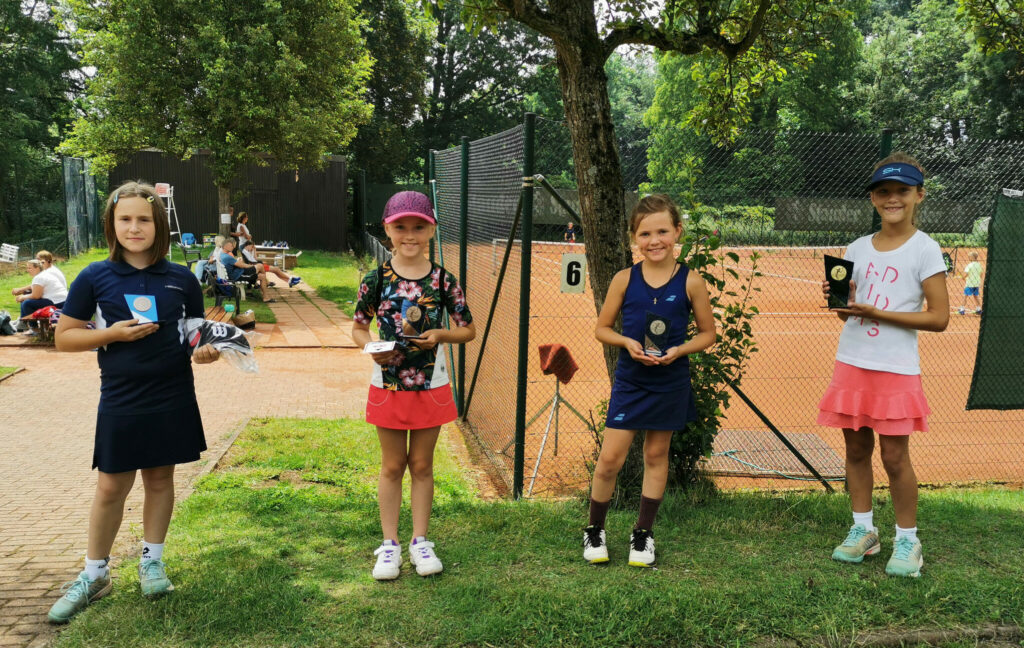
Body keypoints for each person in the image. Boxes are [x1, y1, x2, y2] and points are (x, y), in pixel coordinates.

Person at [47, 181, 221, 623]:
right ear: (112, 224)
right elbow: (64, 338)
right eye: (125, 218)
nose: (134, 227)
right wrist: (110, 335)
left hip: (173, 394)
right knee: (110, 486)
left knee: (160, 480)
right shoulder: (94, 276)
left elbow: (192, 335)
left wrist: (206, 348)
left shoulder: (181, 278)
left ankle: (152, 561)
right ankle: (95, 574)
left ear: (158, 224)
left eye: (144, 219)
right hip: (121, 397)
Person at [819, 153, 949, 578]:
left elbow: (939, 318)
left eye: (902, 191)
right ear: (873, 198)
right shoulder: (857, 247)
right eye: (883, 191)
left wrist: (878, 313)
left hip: (896, 368)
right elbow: (847, 314)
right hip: (852, 362)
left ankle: (908, 539)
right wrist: (842, 300)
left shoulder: (926, 249)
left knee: (895, 457)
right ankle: (863, 532)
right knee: (856, 450)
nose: (892, 198)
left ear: (919, 196)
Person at [582, 194, 716, 567]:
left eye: (662, 231)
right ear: (633, 239)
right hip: (631, 381)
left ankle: (643, 535)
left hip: (670, 379)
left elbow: (709, 334)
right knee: (610, 459)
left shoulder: (692, 281)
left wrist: (680, 350)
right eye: (645, 233)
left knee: (656, 455)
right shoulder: (625, 279)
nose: (654, 240)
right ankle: (594, 530)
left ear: (677, 232)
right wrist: (626, 341)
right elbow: (601, 329)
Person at [351, 191, 475, 581]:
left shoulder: (443, 280)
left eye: (418, 226)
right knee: (392, 466)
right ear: (387, 230)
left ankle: (420, 540)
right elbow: (358, 327)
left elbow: (468, 329)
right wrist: (372, 348)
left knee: (422, 465)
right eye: (400, 226)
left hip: (430, 385)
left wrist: (439, 334)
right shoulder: (376, 279)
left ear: (431, 230)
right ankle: (389, 546)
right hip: (388, 385)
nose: (410, 234)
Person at [12, 258, 68, 334]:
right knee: (26, 299)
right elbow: (35, 291)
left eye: (30, 268)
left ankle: (34, 329)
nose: (28, 270)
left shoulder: (39, 277)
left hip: (58, 303)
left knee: (27, 303)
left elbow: (36, 296)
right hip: (62, 301)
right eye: (27, 268)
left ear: (37, 268)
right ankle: (23, 323)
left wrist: (22, 297)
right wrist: (23, 295)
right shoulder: (44, 274)